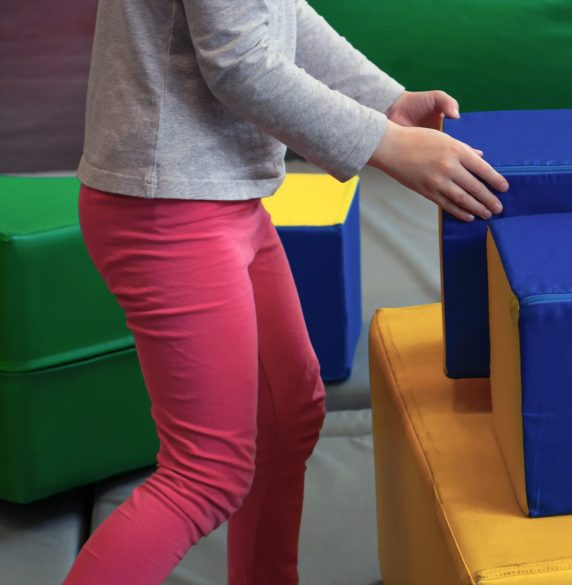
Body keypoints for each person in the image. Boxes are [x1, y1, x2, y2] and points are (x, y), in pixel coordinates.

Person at [65, 1, 508, 583]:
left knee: (287, 414)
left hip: (220, 196)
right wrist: (389, 147)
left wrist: (385, 102)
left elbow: (280, 13)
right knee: (205, 472)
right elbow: (241, 63)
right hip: (167, 206)